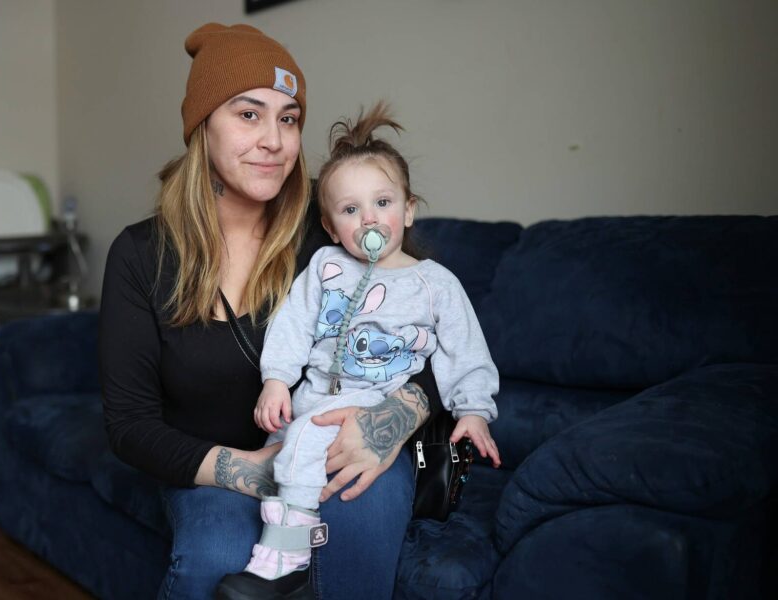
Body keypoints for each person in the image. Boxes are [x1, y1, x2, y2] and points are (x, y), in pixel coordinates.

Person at [101, 23, 475, 600]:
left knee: (359, 512)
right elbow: (129, 426)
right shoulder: (141, 255)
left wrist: (393, 419)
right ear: (202, 126)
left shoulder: (334, 219)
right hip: (215, 462)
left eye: (289, 118)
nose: (274, 140)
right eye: (248, 114)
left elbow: (435, 327)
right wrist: (256, 471)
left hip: (345, 434)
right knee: (216, 556)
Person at [216, 104, 501, 598]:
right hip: (310, 397)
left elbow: (466, 351)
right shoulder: (326, 266)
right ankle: (294, 539)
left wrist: (474, 410)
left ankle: (286, 556)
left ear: (408, 210)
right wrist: (276, 380)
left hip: (371, 403)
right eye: (350, 210)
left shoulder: (435, 285)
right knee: (279, 455)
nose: (369, 218)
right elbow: (293, 325)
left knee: (301, 447)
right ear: (331, 228)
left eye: (383, 202)